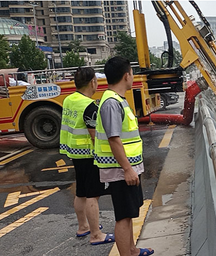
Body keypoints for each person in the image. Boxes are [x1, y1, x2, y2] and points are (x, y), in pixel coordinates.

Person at [94, 56, 154, 256]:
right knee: (123, 216)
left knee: (128, 214)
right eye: (132, 73)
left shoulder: (118, 99)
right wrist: (127, 169)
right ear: (126, 75)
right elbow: (113, 139)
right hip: (120, 170)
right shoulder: (112, 103)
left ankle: (132, 250)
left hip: (127, 168)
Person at [59, 67, 115, 245]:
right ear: (92, 82)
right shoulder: (89, 105)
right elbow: (93, 135)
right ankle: (96, 235)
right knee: (93, 195)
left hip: (74, 152)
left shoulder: (69, 100)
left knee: (81, 192)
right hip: (90, 155)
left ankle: (83, 227)